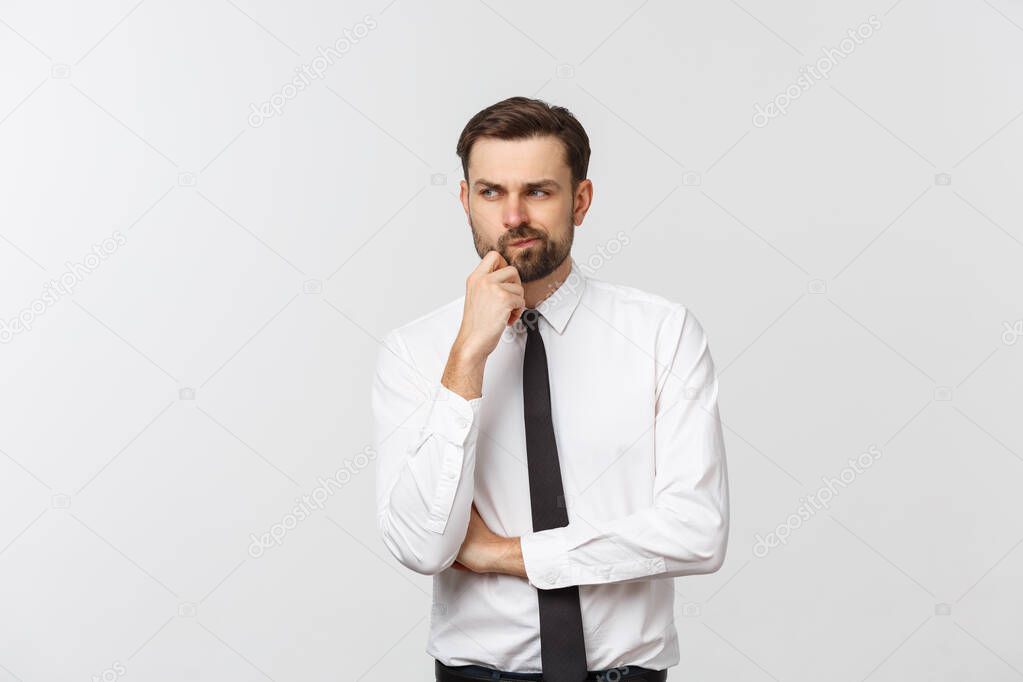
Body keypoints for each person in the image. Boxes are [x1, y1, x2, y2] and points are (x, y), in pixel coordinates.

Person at [371, 96, 730, 682]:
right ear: (466, 201)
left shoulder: (661, 333)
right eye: (491, 192)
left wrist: (508, 555)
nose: (513, 217)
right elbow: (421, 546)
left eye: (538, 191)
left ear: (580, 201)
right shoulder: (415, 352)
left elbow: (698, 531)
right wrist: (466, 357)